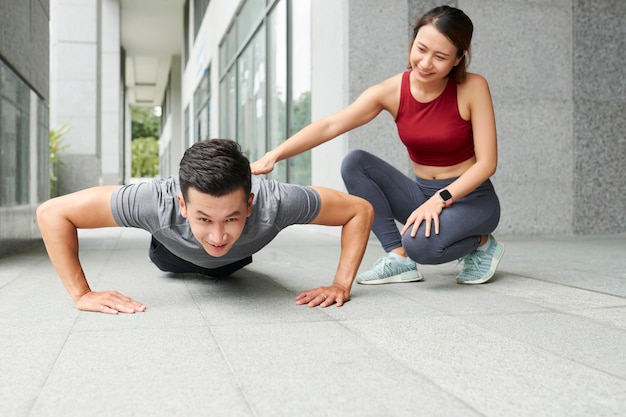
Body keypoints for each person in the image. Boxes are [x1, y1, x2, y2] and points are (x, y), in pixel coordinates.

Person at [251, 5, 504, 285]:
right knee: (355, 163)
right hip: (422, 194)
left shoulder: (473, 87)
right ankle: (399, 259)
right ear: (412, 42)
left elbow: (487, 163)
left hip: (472, 199)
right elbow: (330, 125)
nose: (425, 62)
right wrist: (275, 155)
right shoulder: (392, 91)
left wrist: (440, 199)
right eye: (421, 49)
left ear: (458, 59)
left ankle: (482, 242)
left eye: (440, 57)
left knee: (421, 245)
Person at [36, 139, 374, 314]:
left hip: (238, 258)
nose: (216, 236)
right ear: (182, 205)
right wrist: (82, 294)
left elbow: (359, 210)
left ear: (250, 204)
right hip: (172, 255)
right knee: (172, 257)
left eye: (231, 217)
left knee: (227, 252)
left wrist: (341, 285)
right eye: (203, 218)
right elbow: (52, 213)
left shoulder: (277, 201)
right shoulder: (152, 201)